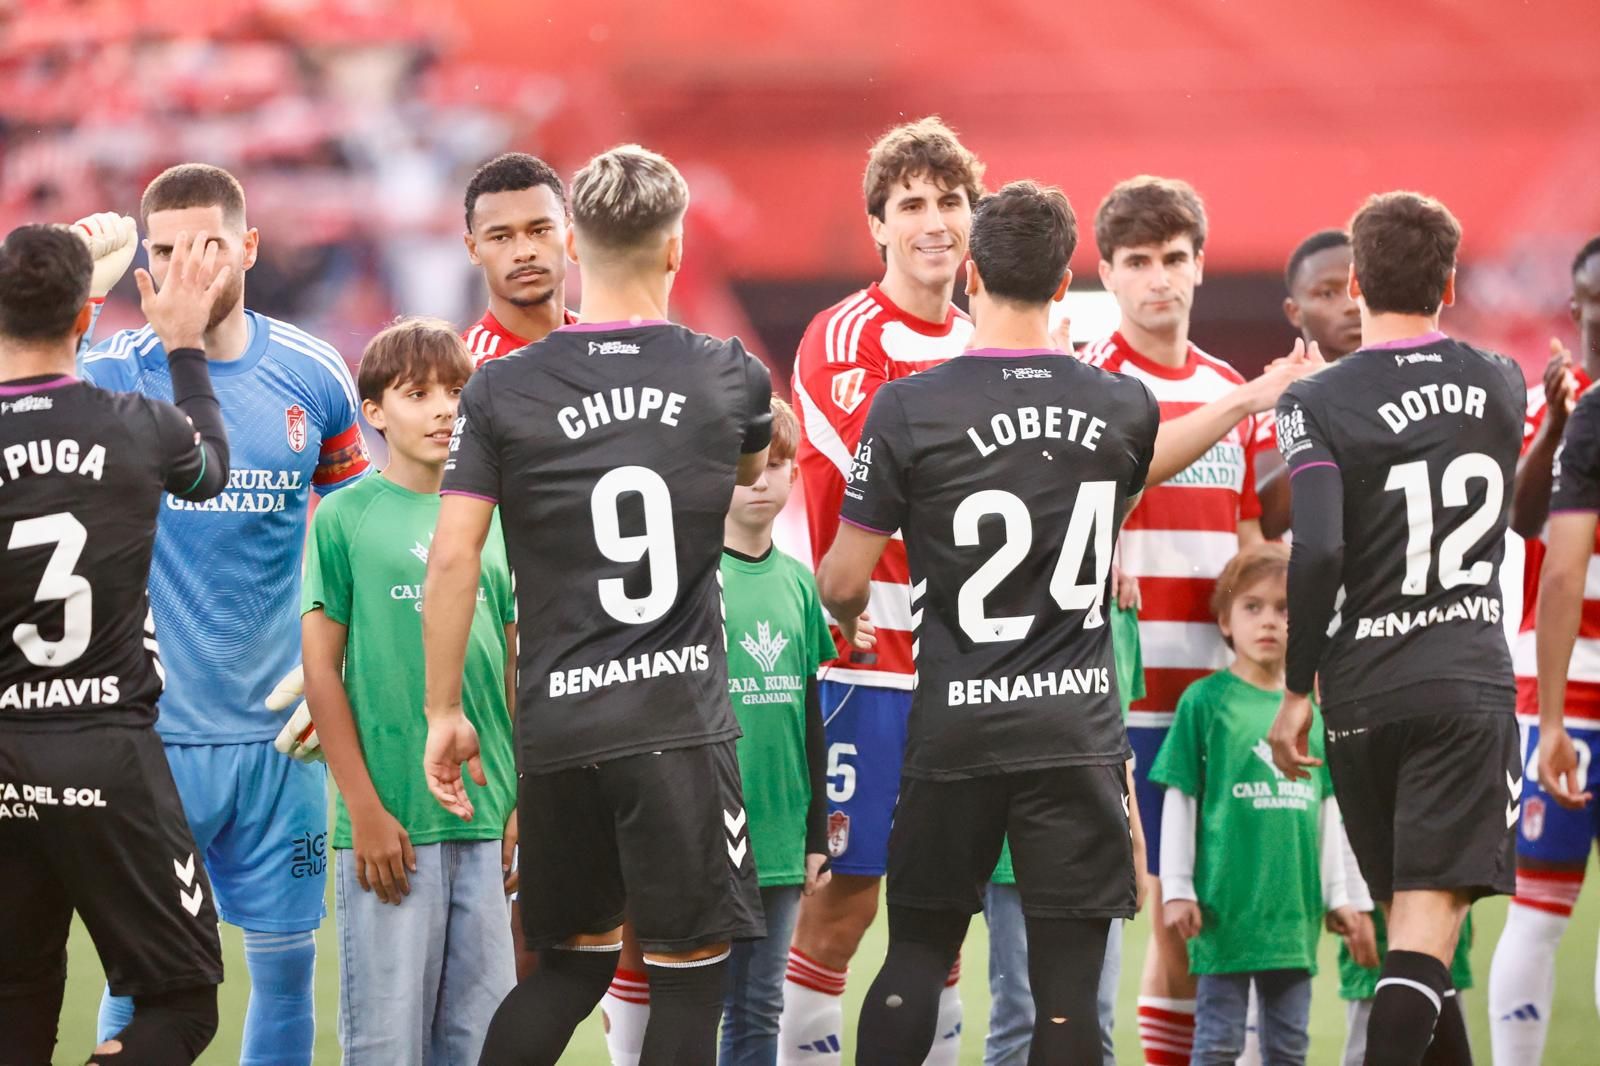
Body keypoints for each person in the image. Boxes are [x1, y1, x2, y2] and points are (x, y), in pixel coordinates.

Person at [421, 143, 772, 1066]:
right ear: (676, 247)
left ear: (574, 244)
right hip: (679, 726)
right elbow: (744, 473)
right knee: (691, 984)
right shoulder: (731, 374)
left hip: (560, 729)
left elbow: (455, 555)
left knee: (566, 978)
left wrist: (444, 709)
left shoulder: (499, 385)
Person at [818, 178, 1158, 1065]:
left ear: (970, 274)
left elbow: (844, 577)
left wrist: (849, 611)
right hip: (1075, 725)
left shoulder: (908, 406)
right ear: (1064, 285)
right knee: (1066, 992)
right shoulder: (1124, 406)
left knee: (917, 955)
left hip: (957, 721)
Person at [82, 164, 370, 1065]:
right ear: (143, 273)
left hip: (282, 737)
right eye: (164, 252)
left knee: (285, 973)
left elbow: (358, 531)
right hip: (153, 740)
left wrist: (343, 670)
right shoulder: (112, 377)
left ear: (248, 247)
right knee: (145, 980)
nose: (187, 269)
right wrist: (79, 308)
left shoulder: (313, 375)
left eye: (209, 245)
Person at [1269, 190, 1527, 1066]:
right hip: (1464, 687)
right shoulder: (1502, 380)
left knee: (1421, 950)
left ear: (1361, 282)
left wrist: (1298, 686)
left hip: (1362, 697)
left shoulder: (1315, 400)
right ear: (1450, 283)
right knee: (1422, 946)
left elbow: (1318, 550)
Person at [1078, 176, 1318, 1065]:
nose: (1157, 280)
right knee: (1116, 908)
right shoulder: (1091, 383)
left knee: (1193, 922)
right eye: (1136, 262)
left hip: (1213, 702)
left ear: (1200, 267)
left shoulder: (1230, 390)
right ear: (1105, 271)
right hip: (1120, 698)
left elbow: (1252, 549)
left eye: (1173, 259)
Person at [0, 223, 231, 1064]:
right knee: (180, 1003)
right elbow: (211, 468)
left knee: (16, 995)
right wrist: (184, 343)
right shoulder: (140, 425)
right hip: (107, 751)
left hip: (2, 750)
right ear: (82, 319)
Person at [783, 115, 985, 1066]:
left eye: (950, 201)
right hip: (867, 661)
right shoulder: (844, 335)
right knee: (844, 901)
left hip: (969, 666)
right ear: (878, 226)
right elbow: (897, 474)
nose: (934, 221)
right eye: (912, 204)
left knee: (941, 913)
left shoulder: (988, 338)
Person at [598, 398, 854, 1066]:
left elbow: (808, 714)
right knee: (691, 1005)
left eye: (782, 464)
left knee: (758, 1008)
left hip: (777, 833)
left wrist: (814, 831)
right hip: (699, 836)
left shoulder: (800, 586)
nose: (767, 480)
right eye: (753, 467)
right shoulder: (684, 579)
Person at [299, 318, 518, 1064]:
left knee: (483, 1043)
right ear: (375, 412)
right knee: (389, 1046)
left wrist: (518, 799)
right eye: (418, 393)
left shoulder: (495, 518)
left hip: (486, 822)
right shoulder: (344, 516)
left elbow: (514, 669)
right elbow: (322, 671)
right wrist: (361, 809)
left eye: (457, 391)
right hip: (388, 826)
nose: (444, 409)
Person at [1151, 543, 1354, 1065]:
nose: (1269, 622)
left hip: (1292, 919)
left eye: (1286, 610)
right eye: (1253, 607)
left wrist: (1339, 896)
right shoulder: (1204, 701)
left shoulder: (1313, 710)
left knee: (1288, 1048)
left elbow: (1330, 812)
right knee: (1216, 1043)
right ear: (1225, 620)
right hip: (1222, 914)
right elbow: (1181, 795)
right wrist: (1176, 889)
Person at [1488, 234, 1600, 1064]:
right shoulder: (1542, 405)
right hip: (1558, 690)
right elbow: (1522, 528)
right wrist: (1558, 422)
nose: (1596, 318)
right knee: (1538, 907)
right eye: (1588, 301)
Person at [982, 594, 1147, 1066]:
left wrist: (1134, 838)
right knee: (1019, 1015)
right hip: (1017, 849)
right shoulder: (1004, 605)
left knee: (1096, 1017)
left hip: (1097, 843)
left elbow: (1120, 742)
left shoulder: (1118, 614)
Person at [1257, 229, 1365, 537]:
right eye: (1328, 293)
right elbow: (1265, 517)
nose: (1351, 306)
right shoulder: (1271, 402)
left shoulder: (1413, 390)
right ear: (1294, 311)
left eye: (1360, 290)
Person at [461, 153, 579, 367]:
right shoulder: (466, 373)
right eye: (501, 237)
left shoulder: (612, 350)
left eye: (540, 231)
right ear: (473, 249)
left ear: (569, 232)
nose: (524, 252)